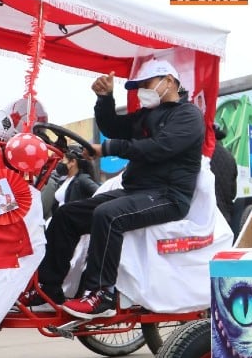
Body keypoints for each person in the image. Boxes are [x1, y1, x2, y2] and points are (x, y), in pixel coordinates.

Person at [22, 58, 205, 319]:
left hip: (168, 195)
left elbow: (159, 148)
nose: (142, 90)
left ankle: (101, 294)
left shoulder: (188, 116)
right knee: (66, 215)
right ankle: (47, 290)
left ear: (170, 82)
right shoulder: (146, 115)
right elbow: (112, 127)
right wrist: (105, 98)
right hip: (136, 192)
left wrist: (107, 149)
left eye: (147, 83)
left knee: (108, 214)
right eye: (138, 86)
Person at [46, 146, 100, 215]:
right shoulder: (63, 181)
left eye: (63, 161)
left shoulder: (82, 179)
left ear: (73, 162)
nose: (60, 163)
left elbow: (100, 193)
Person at [209, 122, 237, 225]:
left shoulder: (199, 151)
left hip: (204, 220)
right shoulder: (230, 158)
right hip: (224, 220)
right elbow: (233, 193)